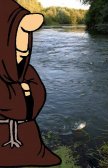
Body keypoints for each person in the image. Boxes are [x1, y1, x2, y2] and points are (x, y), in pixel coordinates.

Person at [0, 0, 61, 166]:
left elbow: (38, 95)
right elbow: (12, 105)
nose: (24, 43)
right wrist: (24, 91)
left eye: (27, 33)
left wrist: (18, 92)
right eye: (20, 32)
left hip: (27, 137)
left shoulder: (28, 69)